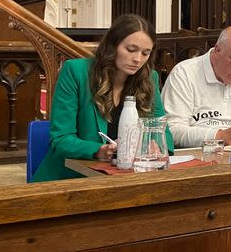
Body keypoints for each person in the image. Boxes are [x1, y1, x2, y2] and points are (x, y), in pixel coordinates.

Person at [32, 14, 173, 182]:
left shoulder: (150, 78)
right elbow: (61, 139)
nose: (138, 59)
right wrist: (100, 150)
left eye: (145, 53)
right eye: (131, 50)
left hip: (127, 179)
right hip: (71, 180)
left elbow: (163, 130)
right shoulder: (76, 72)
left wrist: (155, 144)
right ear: (112, 46)